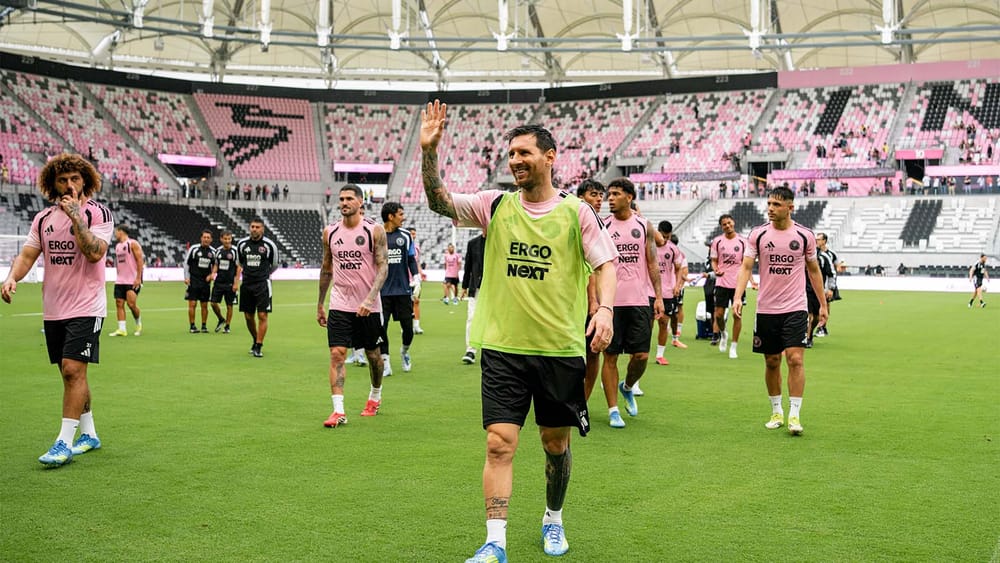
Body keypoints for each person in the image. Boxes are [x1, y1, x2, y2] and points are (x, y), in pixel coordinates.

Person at [421, 100, 617, 562]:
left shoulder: (575, 213)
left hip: (558, 350)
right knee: (498, 442)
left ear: (551, 157)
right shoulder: (496, 205)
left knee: (555, 444)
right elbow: (438, 201)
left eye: (524, 153)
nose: (515, 161)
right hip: (504, 350)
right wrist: (429, 152)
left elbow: (605, 263)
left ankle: (553, 519)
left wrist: (605, 309)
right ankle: (495, 540)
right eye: (510, 154)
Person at [1, 153, 113, 466]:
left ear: (85, 181)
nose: (69, 185)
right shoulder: (43, 219)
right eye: (62, 180)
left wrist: (76, 216)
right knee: (71, 376)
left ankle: (63, 443)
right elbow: (27, 256)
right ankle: (89, 433)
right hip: (54, 309)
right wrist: (11, 277)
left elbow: (94, 254)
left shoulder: (97, 214)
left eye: (75, 179)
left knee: (72, 369)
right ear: (52, 184)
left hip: (87, 307)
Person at [732, 186, 827, 436]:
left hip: (796, 307)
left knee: (795, 359)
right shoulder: (758, 234)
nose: (771, 209)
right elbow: (745, 267)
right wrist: (738, 295)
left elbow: (814, 271)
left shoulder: (804, 236)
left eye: (776, 204)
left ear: (790, 207)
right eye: (769, 204)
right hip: (766, 308)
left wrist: (823, 304)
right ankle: (776, 411)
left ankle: (795, 415)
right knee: (772, 361)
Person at [317, 184, 389, 427]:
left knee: (374, 356)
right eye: (341, 199)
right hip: (339, 304)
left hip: (368, 306)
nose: (344, 202)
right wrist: (320, 303)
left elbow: (383, 267)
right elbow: (326, 268)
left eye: (349, 198)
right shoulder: (330, 232)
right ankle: (338, 411)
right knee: (337, 354)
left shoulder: (374, 230)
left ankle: (375, 396)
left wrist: (369, 299)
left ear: (360, 202)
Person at [601, 178, 663, 428]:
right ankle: (613, 410)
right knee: (611, 356)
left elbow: (652, 262)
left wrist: (658, 297)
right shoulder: (603, 225)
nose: (610, 198)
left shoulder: (643, 225)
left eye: (616, 194)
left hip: (639, 300)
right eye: (609, 194)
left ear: (629, 197)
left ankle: (627, 387)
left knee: (641, 355)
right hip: (611, 301)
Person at [378, 201, 419, 376]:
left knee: (408, 328)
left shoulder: (406, 236)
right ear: (391, 216)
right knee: (381, 328)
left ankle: (404, 352)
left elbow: (410, 259)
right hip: (382, 291)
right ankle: (386, 361)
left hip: (403, 290)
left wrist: (416, 276)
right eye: (401, 214)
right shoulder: (376, 236)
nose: (404, 218)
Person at [575, 179, 607, 401]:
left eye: (600, 195)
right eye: (593, 194)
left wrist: (596, 302)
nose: (599, 199)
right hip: (568, 300)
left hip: (590, 303)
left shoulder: (601, 225)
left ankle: (582, 401)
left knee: (593, 352)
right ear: (580, 198)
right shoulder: (571, 222)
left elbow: (597, 269)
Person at [710, 214, 752, 359]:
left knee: (736, 314)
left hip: (738, 284)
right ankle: (723, 334)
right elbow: (714, 260)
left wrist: (751, 281)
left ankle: (733, 347)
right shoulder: (717, 241)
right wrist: (716, 269)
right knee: (719, 315)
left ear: (733, 222)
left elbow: (747, 264)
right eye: (724, 224)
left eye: (729, 223)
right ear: (721, 227)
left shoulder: (743, 241)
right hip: (722, 282)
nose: (727, 226)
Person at [235, 218, 278, 357]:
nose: (254, 229)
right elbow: (240, 262)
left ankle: (259, 346)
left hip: (262, 284)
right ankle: (255, 339)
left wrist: (264, 274)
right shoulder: (242, 244)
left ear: (262, 229)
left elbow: (275, 264)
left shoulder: (269, 245)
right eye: (252, 226)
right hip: (246, 284)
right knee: (248, 316)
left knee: (262, 315)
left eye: (257, 227)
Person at [653, 221, 686, 365]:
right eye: (663, 236)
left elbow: (679, 268)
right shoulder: (649, 246)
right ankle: (642, 353)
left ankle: (660, 355)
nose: (665, 239)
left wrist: (677, 285)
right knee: (646, 326)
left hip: (667, 293)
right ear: (657, 232)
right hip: (648, 292)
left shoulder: (673, 249)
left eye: (667, 237)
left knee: (663, 323)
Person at [108, 225, 144, 337]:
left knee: (131, 304)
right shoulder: (118, 246)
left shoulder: (133, 243)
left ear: (121, 232)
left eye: (116, 232)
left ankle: (138, 322)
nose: (115, 234)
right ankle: (122, 329)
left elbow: (140, 261)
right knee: (119, 303)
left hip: (132, 280)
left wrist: (138, 278)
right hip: (120, 280)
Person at [461, 230, 485, 364]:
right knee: (472, 317)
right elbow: (468, 267)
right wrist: (464, 287)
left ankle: (491, 350)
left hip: (493, 288)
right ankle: (471, 350)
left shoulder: (499, 240)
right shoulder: (473, 243)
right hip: (475, 287)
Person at [184, 229, 215, 333]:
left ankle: (204, 326)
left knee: (204, 305)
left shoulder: (213, 252)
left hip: (205, 282)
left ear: (211, 240)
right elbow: (186, 264)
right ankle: (192, 326)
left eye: (208, 238)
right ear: (201, 238)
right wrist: (186, 277)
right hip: (193, 280)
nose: (206, 239)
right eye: (204, 237)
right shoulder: (194, 249)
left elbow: (216, 266)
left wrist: (211, 275)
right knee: (192, 304)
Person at [813, 233, 842, 337]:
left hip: (826, 284)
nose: (817, 241)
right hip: (814, 284)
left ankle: (822, 326)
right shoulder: (813, 253)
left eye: (819, 239)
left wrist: (831, 287)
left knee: (826, 304)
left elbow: (836, 266)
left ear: (824, 241)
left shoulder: (831, 254)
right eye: (816, 239)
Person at [210, 231, 239, 333]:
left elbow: (238, 267)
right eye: (225, 239)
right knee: (213, 303)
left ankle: (227, 326)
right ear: (221, 239)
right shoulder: (218, 251)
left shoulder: (235, 251)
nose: (227, 241)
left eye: (229, 239)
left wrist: (236, 283)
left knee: (229, 305)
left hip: (230, 282)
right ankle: (221, 319)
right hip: (219, 282)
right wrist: (213, 273)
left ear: (231, 239)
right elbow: (216, 264)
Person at [409, 227, 427, 334]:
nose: (413, 235)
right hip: (406, 279)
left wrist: (421, 273)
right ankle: (406, 326)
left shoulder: (416, 247)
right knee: (407, 304)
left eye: (414, 234)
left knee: (416, 301)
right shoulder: (403, 246)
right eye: (411, 233)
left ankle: (416, 326)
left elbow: (417, 262)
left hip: (415, 278)